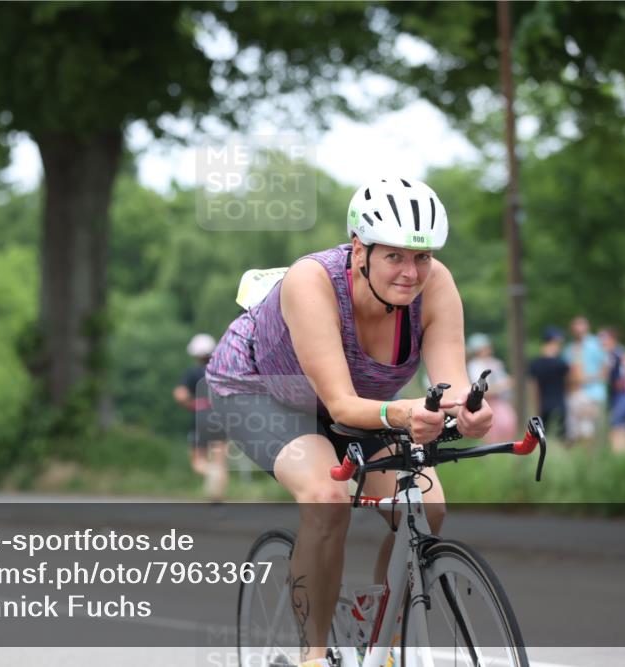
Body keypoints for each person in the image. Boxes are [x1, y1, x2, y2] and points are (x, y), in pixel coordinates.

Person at [206, 177, 492, 667]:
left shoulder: (436, 284)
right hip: (260, 389)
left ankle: (378, 626)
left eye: (421, 257)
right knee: (326, 497)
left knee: (426, 505)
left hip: (361, 404)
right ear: (360, 249)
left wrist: (468, 411)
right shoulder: (311, 281)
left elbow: (451, 384)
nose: (411, 272)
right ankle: (313, 655)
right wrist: (404, 413)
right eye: (395, 257)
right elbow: (338, 406)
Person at [173, 333, 228, 502]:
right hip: (220, 418)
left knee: (198, 462)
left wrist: (191, 405)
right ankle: (216, 499)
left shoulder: (192, 373)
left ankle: (210, 473)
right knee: (220, 461)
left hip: (201, 417)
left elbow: (180, 395)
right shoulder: (222, 371)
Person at [563, 316, 607, 446]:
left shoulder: (596, 345)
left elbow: (605, 370)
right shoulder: (568, 349)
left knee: (588, 431)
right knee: (575, 432)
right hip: (574, 393)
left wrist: (585, 379)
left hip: (592, 393)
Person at [465, 333, 518, 442]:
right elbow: (482, 389)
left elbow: (507, 383)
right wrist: (500, 387)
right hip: (485, 403)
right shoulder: (474, 366)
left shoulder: (495, 363)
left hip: (499, 402)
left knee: (508, 425)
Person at [599, 327, 625, 454]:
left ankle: (619, 454)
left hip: (622, 395)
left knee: (615, 425)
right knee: (623, 426)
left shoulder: (615, 354)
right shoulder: (620, 352)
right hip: (620, 395)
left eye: (605, 340)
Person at [528, 326, 570, 439]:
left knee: (543, 439)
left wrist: (535, 407)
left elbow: (533, 389)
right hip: (560, 405)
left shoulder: (535, 363)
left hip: (543, 406)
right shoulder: (562, 363)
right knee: (562, 437)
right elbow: (569, 383)